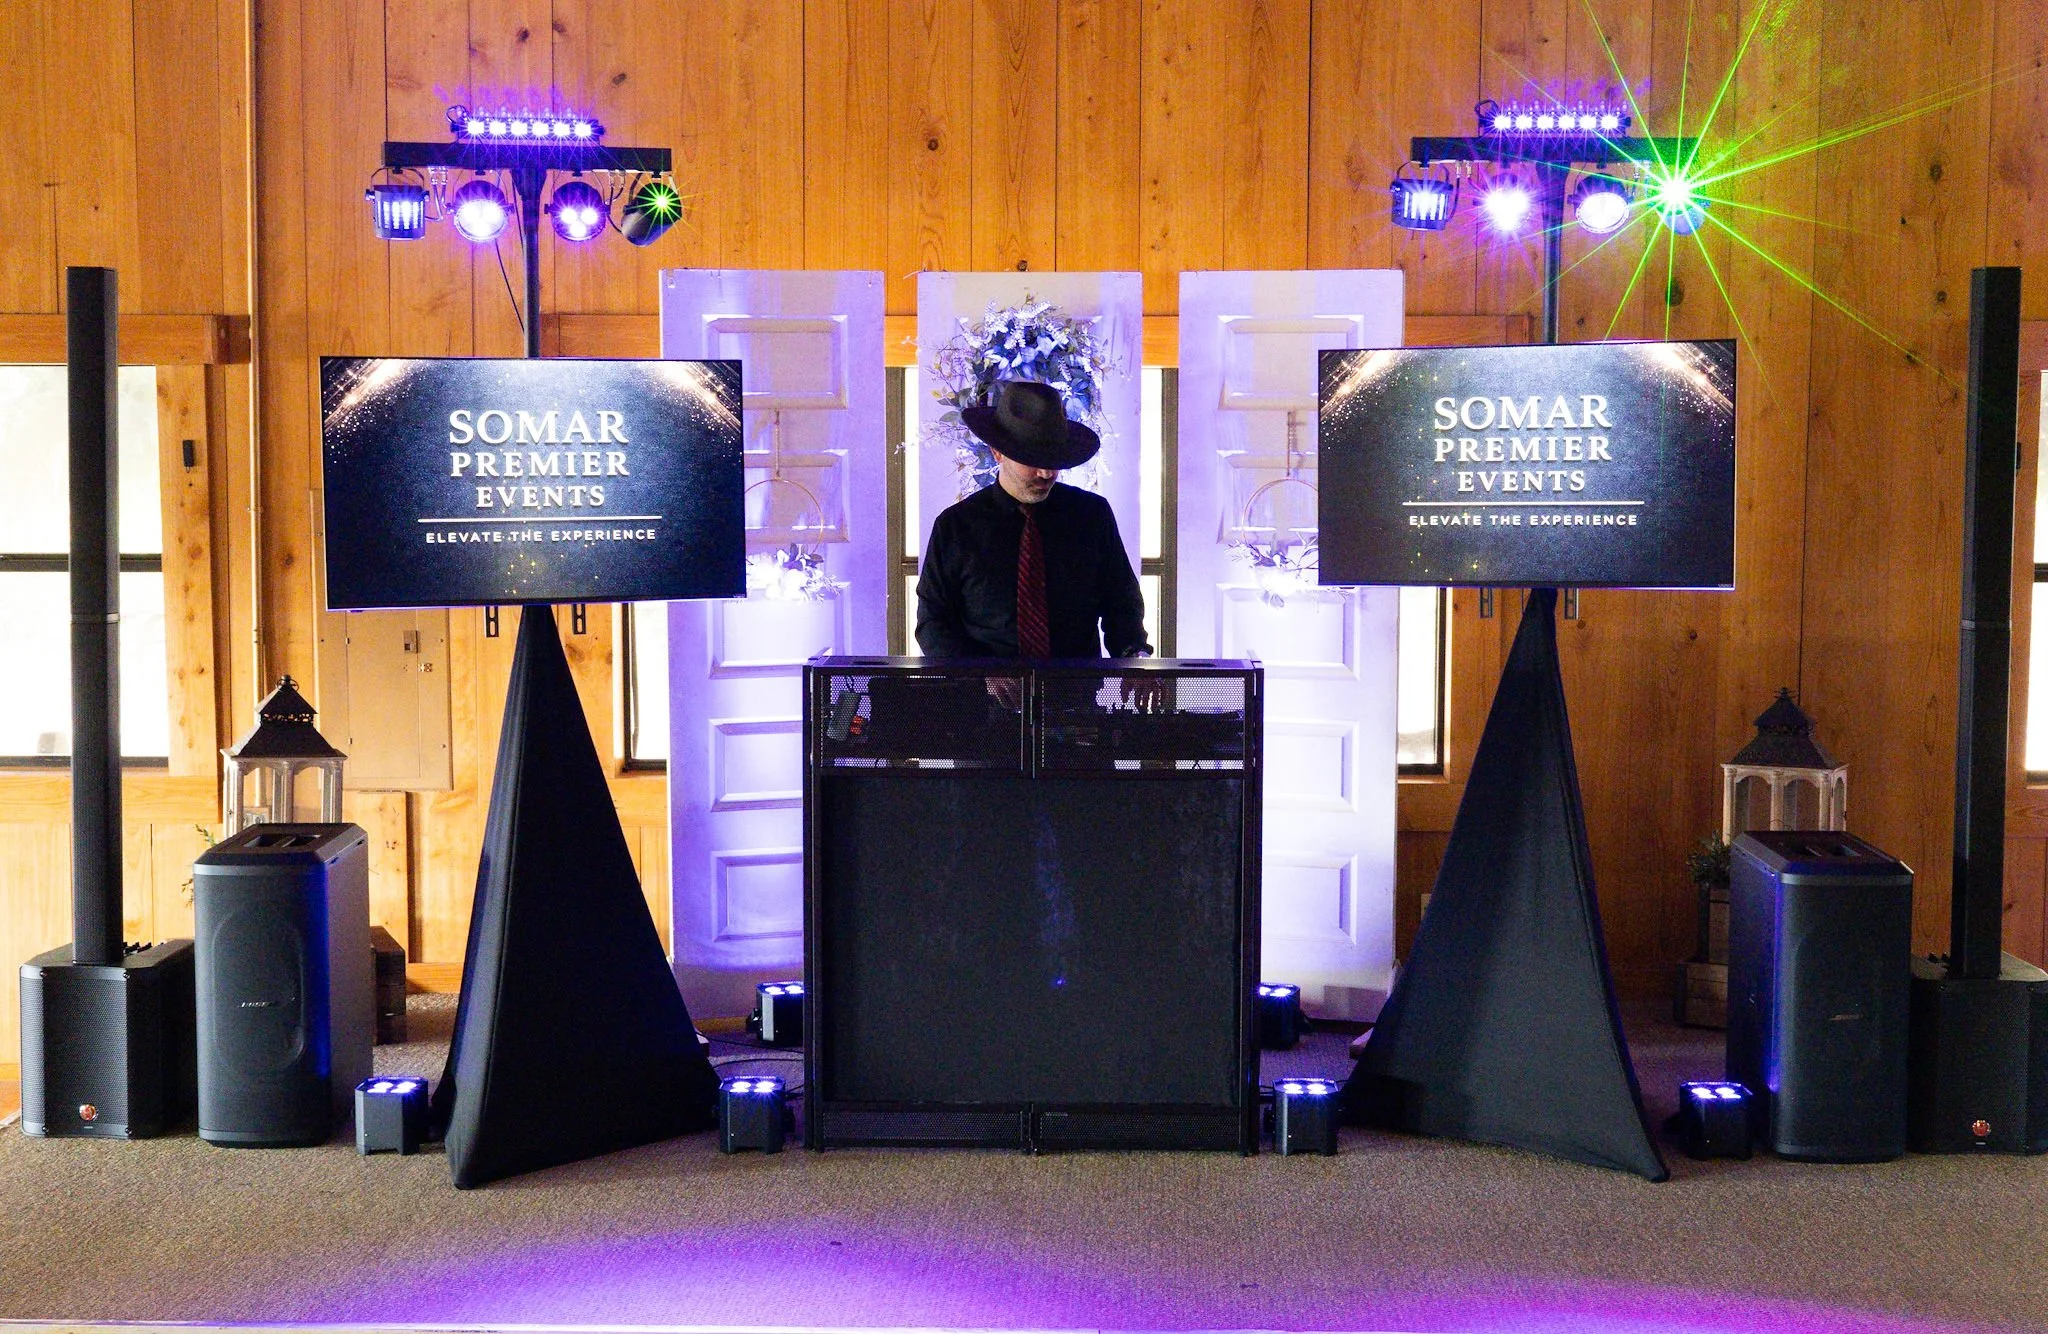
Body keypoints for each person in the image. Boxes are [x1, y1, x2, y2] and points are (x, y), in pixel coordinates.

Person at [915, 380, 1152, 662]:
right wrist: (979, 674)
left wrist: (1133, 654)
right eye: (1033, 459)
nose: (1046, 473)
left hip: (1073, 694)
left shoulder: (1091, 516)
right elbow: (933, 622)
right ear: (997, 452)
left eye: (1054, 460)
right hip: (982, 700)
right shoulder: (956, 527)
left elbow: (1121, 602)